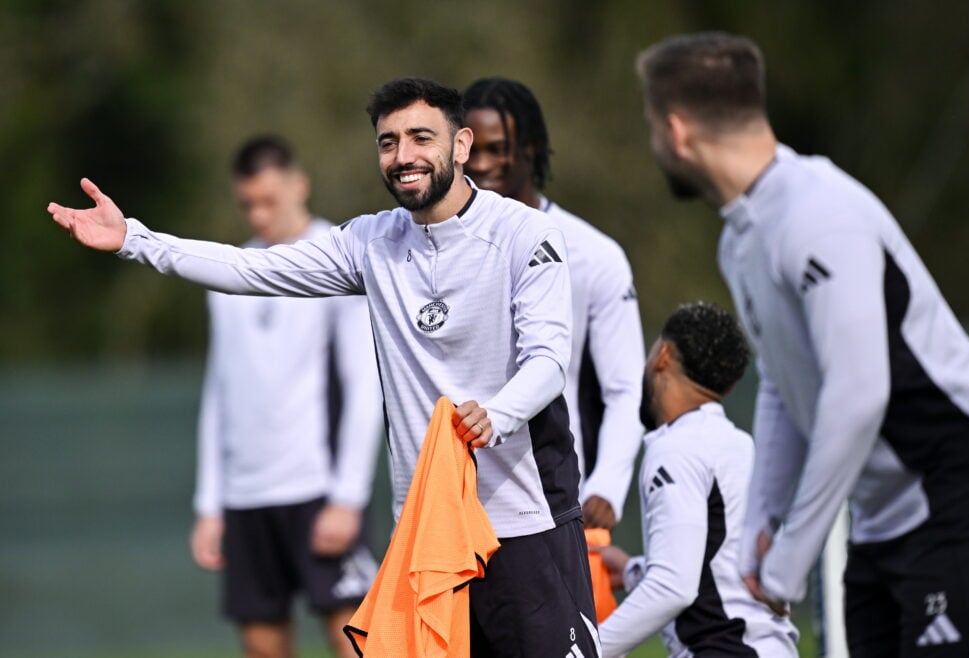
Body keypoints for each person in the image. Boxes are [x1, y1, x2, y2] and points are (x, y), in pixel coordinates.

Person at [47, 77, 600, 658]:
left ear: (461, 145)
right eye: (388, 142)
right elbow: (249, 270)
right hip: (426, 532)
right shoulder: (370, 241)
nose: (403, 156)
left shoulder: (525, 233)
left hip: (524, 516)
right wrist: (133, 239)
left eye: (421, 138)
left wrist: (498, 414)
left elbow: (547, 362)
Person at [636, 32, 969, 657]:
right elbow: (784, 384)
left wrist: (793, 555)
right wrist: (760, 522)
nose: (654, 144)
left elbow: (859, 394)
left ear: (677, 131)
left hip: (965, 500)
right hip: (882, 530)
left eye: (652, 127)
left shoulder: (817, 213)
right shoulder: (739, 239)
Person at [189, 136, 383, 658]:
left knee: (356, 640)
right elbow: (219, 392)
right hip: (246, 498)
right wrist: (209, 505)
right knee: (261, 646)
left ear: (300, 185)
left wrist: (347, 497)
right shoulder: (228, 273)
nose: (258, 214)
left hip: (317, 491)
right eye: (247, 203)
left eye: (269, 200)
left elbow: (364, 386)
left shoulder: (338, 258)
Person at [462, 77, 646, 530]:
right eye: (471, 151)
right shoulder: (437, 246)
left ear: (532, 148)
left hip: (551, 500)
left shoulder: (593, 255)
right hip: (458, 497)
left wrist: (606, 487)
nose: (481, 164)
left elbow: (625, 388)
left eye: (497, 148)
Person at [597, 301, 798, 657]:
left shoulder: (677, 447)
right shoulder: (739, 444)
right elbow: (723, 570)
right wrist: (633, 571)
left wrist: (583, 650)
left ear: (663, 355)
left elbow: (673, 586)